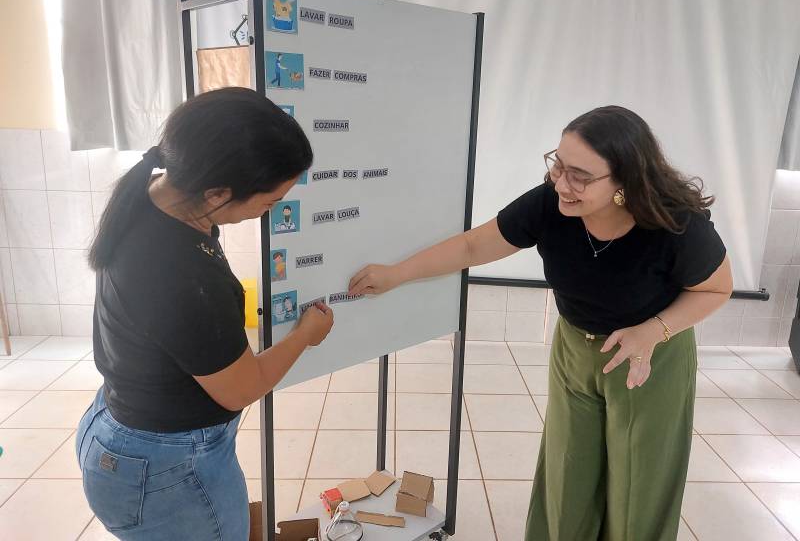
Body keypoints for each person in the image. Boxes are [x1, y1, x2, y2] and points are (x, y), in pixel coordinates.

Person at [349, 106, 733, 541]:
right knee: (568, 470)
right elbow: (474, 246)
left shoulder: (676, 225)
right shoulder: (550, 203)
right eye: (558, 165)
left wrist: (653, 330)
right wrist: (396, 274)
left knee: (640, 482)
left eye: (580, 176)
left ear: (624, 180)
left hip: (650, 356)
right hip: (575, 349)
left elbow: (716, 289)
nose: (562, 184)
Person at [76, 87, 334, 540]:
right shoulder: (184, 275)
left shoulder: (155, 198)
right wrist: (304, 335)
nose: (270, 212)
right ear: (217, 193)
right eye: (269, 202)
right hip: (164, 469)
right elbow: (242, 388)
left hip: (125, 436)